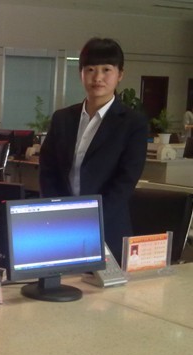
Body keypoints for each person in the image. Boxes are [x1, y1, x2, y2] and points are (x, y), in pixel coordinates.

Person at [39, 37, 148, 261]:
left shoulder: (133, 123)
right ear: (80, 73)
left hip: (108, 229)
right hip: (62, 227)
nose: (97, 77)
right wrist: (58, 213)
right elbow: (48, 171)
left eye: (106, 69)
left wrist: (88, 220)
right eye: (90, 69)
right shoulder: (62, 118)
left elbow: (125, 181)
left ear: (120, 74)